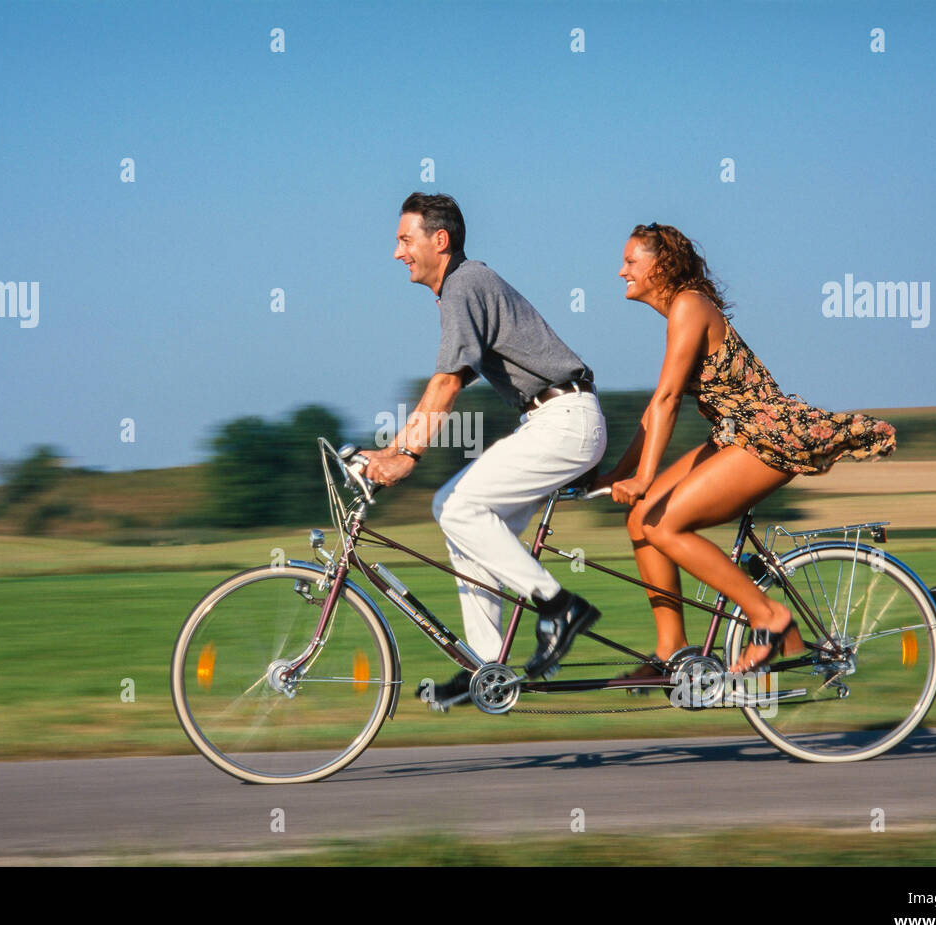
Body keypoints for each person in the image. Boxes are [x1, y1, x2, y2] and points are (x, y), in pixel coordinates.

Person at [595, 223, 896, 677]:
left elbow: (669, 400)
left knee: (666, 526)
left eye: (631, 262)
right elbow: (656, 406)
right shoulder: (683, 309)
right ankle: (671, 650)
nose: (621, 271)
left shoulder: (689, 307)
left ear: (660, 265)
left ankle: (769, 616)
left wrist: (642, 477)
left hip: (765, 436)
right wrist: (617, 474)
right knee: (641, 517)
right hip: (735, 435)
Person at [362, 193, 608, 700]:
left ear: (440, 240)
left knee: (455, 506)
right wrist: (390, 451)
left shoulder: (463, 284)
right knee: (467, 528)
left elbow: (447, 383)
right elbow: (446, 382)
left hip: (564, 420)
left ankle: (559, 605)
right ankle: (485, 669)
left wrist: (404, 456)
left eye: (405, 240)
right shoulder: (466, 288)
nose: (397, 252)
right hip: (554, 419)